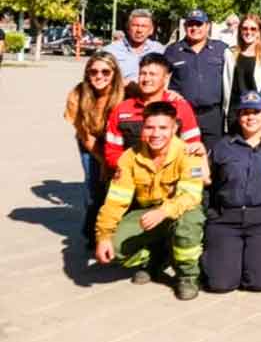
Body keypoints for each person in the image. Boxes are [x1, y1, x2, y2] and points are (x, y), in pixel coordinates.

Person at [93, 101, 206, 301]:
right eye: (150, 127)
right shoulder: (129, 158)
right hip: (147, 212)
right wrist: (103, 235)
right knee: (116, 249)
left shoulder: (188, 153)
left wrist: (164, 212)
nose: (156, 134)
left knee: (188, 225)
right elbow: (115, 200)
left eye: (163, 128)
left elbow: (191, 195)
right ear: (142, 127)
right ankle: (156, 258)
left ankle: (187, 276)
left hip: (182, 209)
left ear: (175, 128)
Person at [203, 91, 261, 292]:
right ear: (238, 116)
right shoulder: (222, 146)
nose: (250, 117)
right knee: (220, 284)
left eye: (256, 112)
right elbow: (207, 182)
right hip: (226, 219)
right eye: (245, 112)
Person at [64, 51, 126, 246]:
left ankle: (116, 230)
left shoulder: (125, 92)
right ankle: (92, 233)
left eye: (105, 72)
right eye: (94, 72)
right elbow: (86, 136)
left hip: (117, 142)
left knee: (118, 187)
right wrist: (104, 164)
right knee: (95, 187)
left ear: (115, 73)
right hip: (90, 142)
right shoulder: (77, 94)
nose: (99, 76)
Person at [104, 53, 203, 170]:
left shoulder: (181, 107)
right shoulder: (121, 110)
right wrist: (133, 169)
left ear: (166, 78)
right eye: (143, 73)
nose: (146, 79)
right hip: (131, 177)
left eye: (152, 74)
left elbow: (192, 147)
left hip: (171, 179)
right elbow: (112, 152)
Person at [165, 9, 227, 150]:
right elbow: (163, 79)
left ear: (207, 26)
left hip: (213, 116)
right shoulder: (172, 51)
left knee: (212, 157)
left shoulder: (221, 49)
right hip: (182, 113)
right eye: (191, 24)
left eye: (199, 24)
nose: (194, 28)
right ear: (185, 26)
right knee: (184, 155)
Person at [221, 14, 261, 135]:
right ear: (240, 30)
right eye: (245, 28)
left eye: (253, 29)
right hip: (235, 112)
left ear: (259, 32)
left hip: (256, 113)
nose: (248, 32)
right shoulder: (229, 53)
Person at [104, 9, 166, 85]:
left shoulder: (159, 50)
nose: (139, 30)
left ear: (151, 30)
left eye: (144, 26)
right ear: (128, 28)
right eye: (135, 25)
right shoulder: (110, 51)